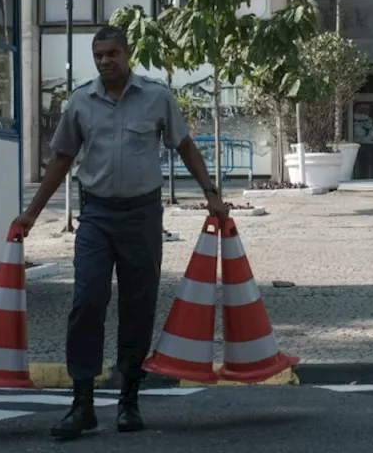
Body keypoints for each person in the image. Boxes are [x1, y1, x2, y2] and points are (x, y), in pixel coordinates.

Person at [13, 25, 229, 440]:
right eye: (99, 55)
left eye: (112, 53)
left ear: (127, 53)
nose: (105, 61)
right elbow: (60, 161)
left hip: (142, 217)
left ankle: (129, 398)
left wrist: (211, 192)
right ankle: (83, 404)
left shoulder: (156, 97)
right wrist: (31, 215)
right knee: (87, 301)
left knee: (138, 306)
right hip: (96, 217)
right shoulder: (80, 101)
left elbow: (185, 145)